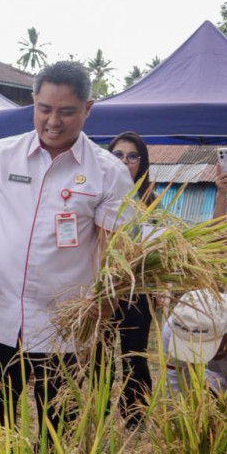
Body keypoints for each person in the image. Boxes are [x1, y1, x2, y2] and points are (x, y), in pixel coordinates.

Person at [0, 61, 133, 439]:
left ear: (87, 108)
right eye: (44, 109)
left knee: (58, 434)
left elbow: (116, 248)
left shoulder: (107, 172)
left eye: (66, 111)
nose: (53, 121)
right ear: (33, 102)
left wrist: (106, 298)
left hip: (63, 327)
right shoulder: (3, 155)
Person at [93, 131, 156, 427]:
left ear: (141, 163)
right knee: (99, 352)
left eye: (132, 156)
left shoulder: (150, 200)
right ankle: (98, 408)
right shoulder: (96, 193)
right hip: (102, 287)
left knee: (134, 353)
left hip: (136, 289)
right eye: (118, 155)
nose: (124, 161)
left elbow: (160, 244)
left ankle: (135, 414)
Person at [162, 290, 227, 409]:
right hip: (216, 380)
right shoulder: (175, 331)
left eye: (212, 351)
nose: (201, 356)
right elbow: (177, 385)